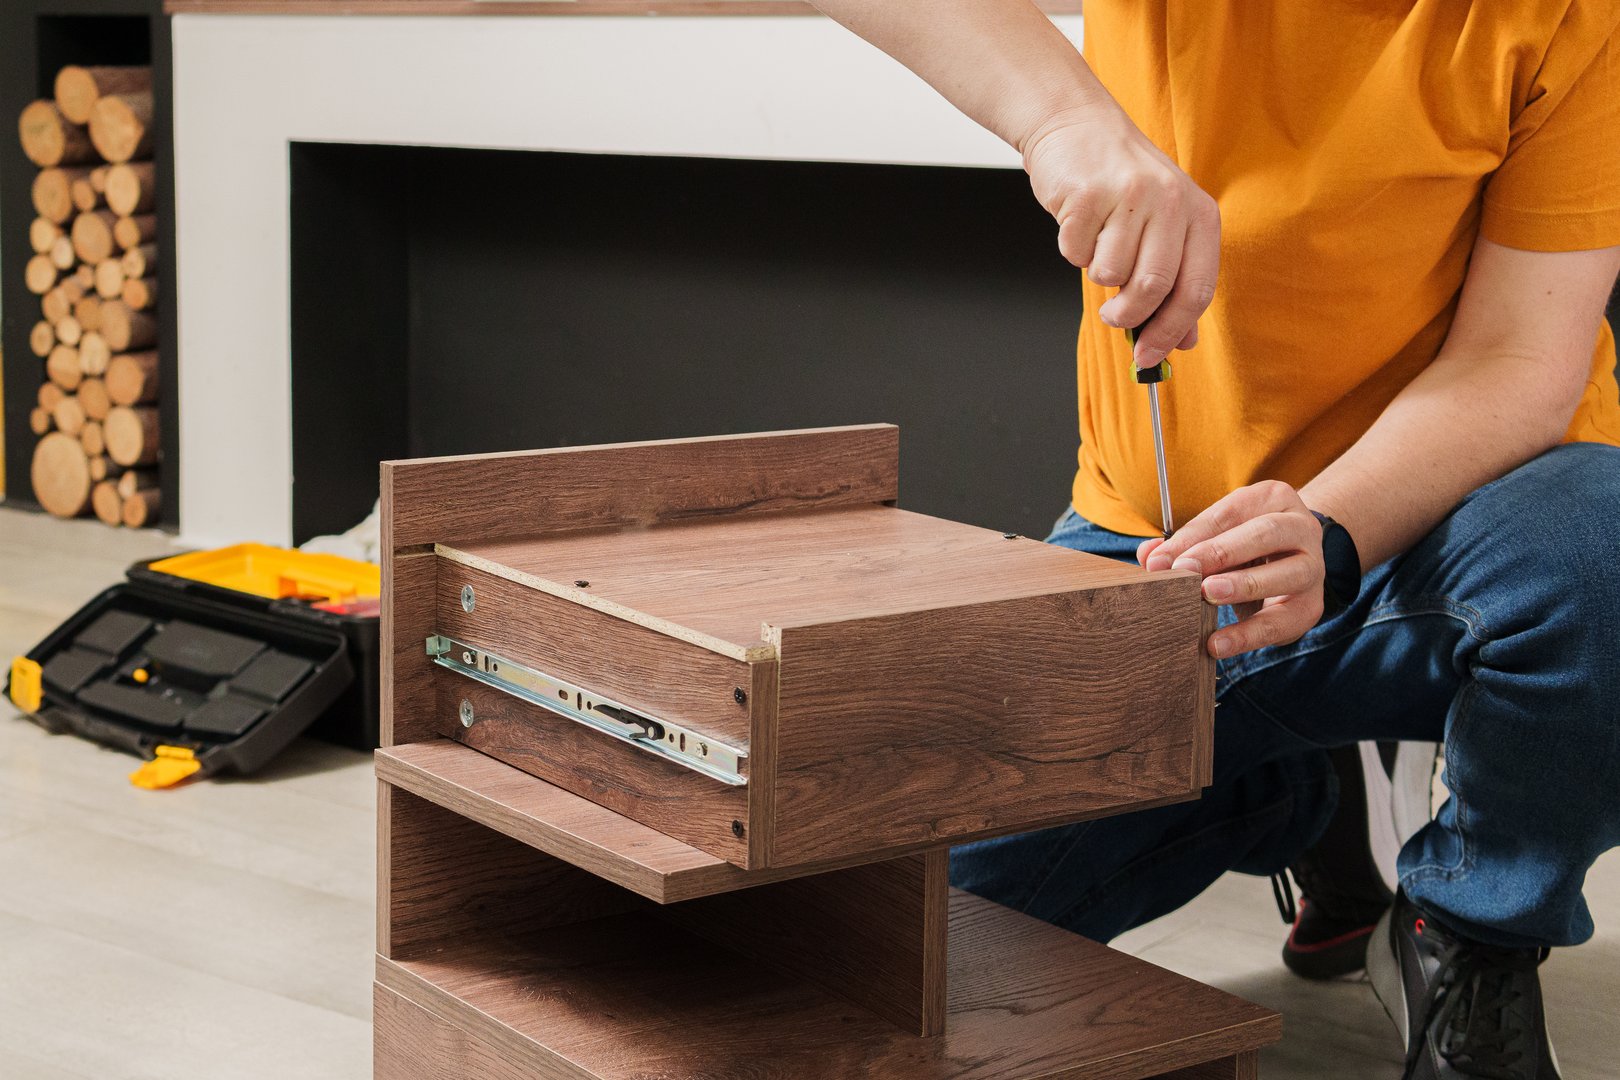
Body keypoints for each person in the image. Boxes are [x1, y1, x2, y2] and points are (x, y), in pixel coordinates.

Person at [811, 4, 1620, 1078]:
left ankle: (1468, 934)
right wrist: (1065, 119)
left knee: (1603, 556)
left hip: (1451, 525)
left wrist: (1332, 529)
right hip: (1165, 550)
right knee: (905, 932)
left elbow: (1522, 353)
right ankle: (1292, 792)